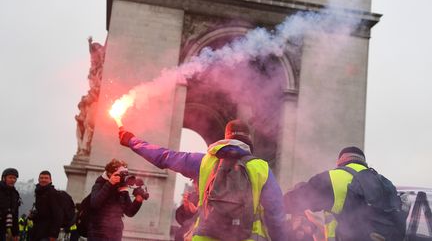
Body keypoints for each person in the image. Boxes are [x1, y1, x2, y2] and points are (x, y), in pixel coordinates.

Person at [118, 119, 287, 241]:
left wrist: (132, 141)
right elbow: (276, 216)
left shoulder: (204, 161)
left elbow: (165, 157)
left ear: (226, 137)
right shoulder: (261, 168)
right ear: (249, 140)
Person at [284, 146, 404, 241]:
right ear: (363, 162)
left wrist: (272, 205)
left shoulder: (334, 178)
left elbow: (298, 199)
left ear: (340, 161)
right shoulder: (384, 183)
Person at [87, 158, 145, 241]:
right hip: (98, 232)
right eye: (121, 174)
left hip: (115, 233)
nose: (124, 177)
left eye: (125, 174)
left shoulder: (122, 188)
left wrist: (138, 200)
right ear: (110, 173)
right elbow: (95, 203)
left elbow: (129, 212)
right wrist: (109, 184)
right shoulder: (100, 184)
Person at [29, 170, 63, 241]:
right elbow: (43, 213)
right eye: (41, 178)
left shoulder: (53, 193)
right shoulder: (39, 192)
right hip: (38, 230)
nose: (43, 180)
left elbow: (58, 215)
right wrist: (33, 216)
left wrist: (53, 234)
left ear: (50, 180)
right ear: (38, 180)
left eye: (46, 178)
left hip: (47, 234)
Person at [0, 168, 20, 241]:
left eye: (14, 178)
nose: (13, 180)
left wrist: (16, 233)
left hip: (3, 230)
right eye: (10, 177)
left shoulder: (15, 194)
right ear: (4, 178)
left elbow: (15, 214)